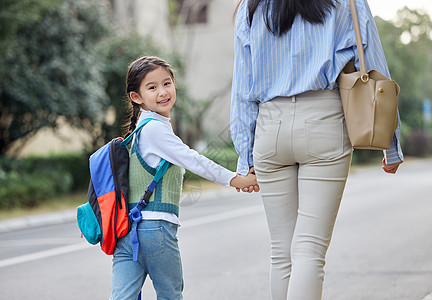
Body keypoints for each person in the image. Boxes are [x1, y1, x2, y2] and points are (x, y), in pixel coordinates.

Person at [231, 0, 403, 299]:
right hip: (325, 121)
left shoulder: (251, 6)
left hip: (270, 127)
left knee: (281, 252)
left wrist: (244, 157)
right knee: (309, 249)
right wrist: (391, 144)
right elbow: (376, 70)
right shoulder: (347, 2)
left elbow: (242, 88)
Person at [110, 56, 258, 300]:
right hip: (154, 229)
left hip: (127, 232)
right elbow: (193, 160)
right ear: (136, 97)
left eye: (167, 83)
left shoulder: (139, 130)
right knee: (171, 296)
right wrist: (235, 179)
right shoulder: (155, 129)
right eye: (152, 87)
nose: (163, 92)